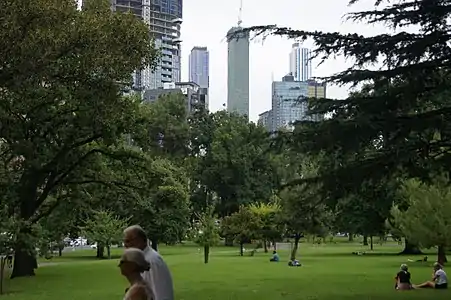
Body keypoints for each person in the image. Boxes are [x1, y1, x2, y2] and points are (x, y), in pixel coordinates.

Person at [124, 225, 174, 300]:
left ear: (142, 240)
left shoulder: (151, 261)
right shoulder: (143, 259)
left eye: (128, 241)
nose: (125, 245)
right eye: (124, 241)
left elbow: (159, 294)